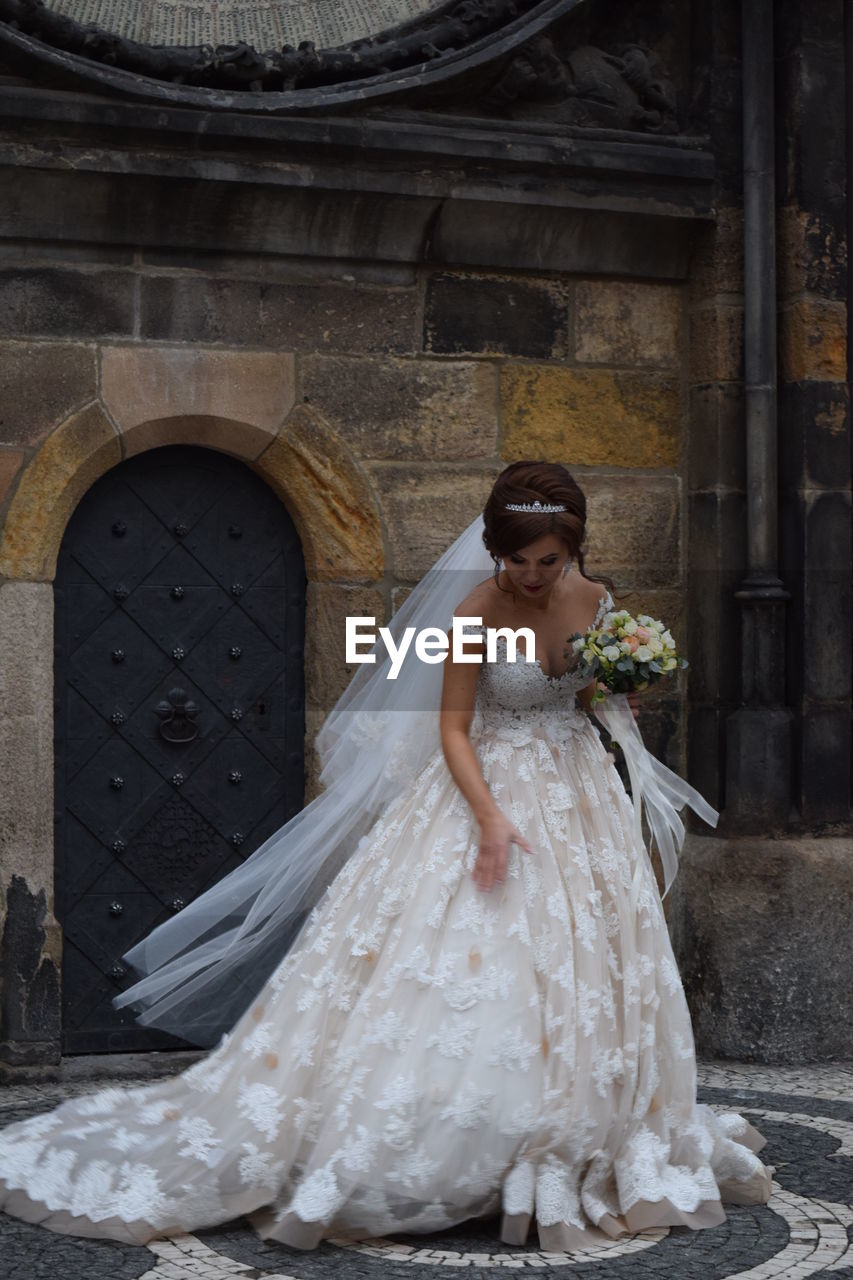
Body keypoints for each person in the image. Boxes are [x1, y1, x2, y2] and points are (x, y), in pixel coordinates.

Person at [0, 460, 773, 1251]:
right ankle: (461, 1141)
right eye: (520, 562)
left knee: (591, 959)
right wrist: (491, 821)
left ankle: (579, 1123)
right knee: (477, 963)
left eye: (550, 562)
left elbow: (577, 690)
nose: (536, 577)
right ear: (493, 550)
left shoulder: (596, 598)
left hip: (579, 794)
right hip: (488, 785)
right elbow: (450, 733)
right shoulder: (473, 613)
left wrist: (609, 692)